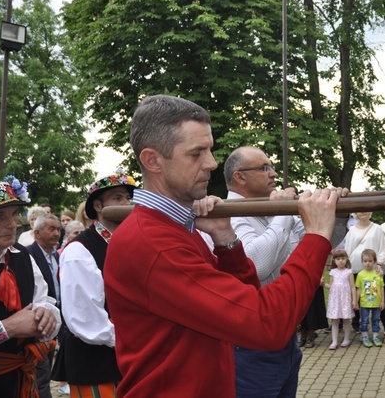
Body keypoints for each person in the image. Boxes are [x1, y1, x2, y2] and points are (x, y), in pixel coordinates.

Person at [103, 94, 344, 398]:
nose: (212, 164)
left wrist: (226, 240)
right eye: (197, 153)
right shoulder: (154, 241)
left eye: (210, 150)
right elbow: (265, 323)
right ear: (153, 161)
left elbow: (242, 300)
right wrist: (317, 236)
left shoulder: (173, 228)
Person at [223, 146, 347, 395]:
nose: (274, 174)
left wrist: (337, 212)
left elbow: (319, 241)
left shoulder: (273, 208)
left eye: (272, 167)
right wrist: (282, 213)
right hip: (250, 345)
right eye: (264, 168)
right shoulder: (226, 214)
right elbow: (255, 265)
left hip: (286, 337)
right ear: (240, 177)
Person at [0, 177, 60, 396]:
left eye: (14, 214)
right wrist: (5, 328)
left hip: (21, 382)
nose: (12, 224)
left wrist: (46, 314)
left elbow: (43, 300)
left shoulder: (22, 255)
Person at [58, 169, 136, 397]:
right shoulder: (79, 250)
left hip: (133, 356)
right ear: (99, 207)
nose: (126, 203)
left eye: (128, 198)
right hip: (97, 364)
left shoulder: (129, 242)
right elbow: (84, 319)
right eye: (118, 198)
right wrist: (132, 340)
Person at [343, 211, 385, 343]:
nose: (362, 213)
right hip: (356, 270)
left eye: (365, 210)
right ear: (356, 214)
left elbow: (381, 249)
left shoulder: (377, 228)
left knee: (378, 300)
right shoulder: (351, 230)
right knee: (359, 301)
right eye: (360, 211)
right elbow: (347, 250)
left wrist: (380, 264)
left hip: (373, 271)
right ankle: (362, 330)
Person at [27, 213, 62, 398]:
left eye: (58, 229)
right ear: (37, 233)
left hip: (55, 322)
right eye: (51, 229)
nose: (57, 233)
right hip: (40, 324)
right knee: (41, 374)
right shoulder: (28, 256)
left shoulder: (57, 255)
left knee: (46, 371)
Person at [324, 249, 356, 349]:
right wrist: (324, 284)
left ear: (346, 259)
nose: (341, 261)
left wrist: (354, 300)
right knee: (335, 320)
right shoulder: (333, 272)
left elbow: (352, 287)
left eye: (343, 258)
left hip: (345, 299)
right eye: (338, 259)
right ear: (334, 260)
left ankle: (346, 339)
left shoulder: (349, 272)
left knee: (346, 319)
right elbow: (331, 286)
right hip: (336, 300)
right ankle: (334, 341)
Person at [355, 249, 384, 348]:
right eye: (365, 261)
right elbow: (358, 289)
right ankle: (365, 337)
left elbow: (381, 288)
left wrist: (383, 301)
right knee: (364, 320)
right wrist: (356, 301)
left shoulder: (378, 274)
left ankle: (375, 336)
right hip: (364, 303)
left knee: (376, 319)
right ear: (362, 262)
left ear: (375, 261)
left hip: (376, 302)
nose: (368, 263)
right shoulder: (360, 274)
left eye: (370, 261)